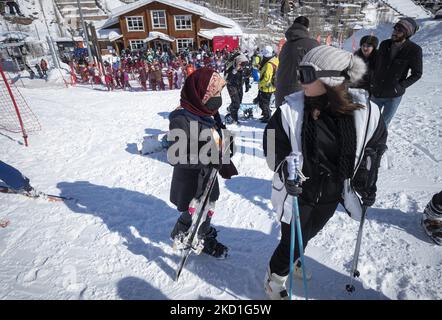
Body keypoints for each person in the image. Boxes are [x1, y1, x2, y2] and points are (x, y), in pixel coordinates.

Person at [263, 45, 388, 300]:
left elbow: (374, 147)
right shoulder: (290, 110)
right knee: (291, 240)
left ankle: (296, 258)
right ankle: (275, 278)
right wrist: (286, 171)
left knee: (310, 232)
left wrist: (367, 179)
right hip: (298, 193)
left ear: (332, 79)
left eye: (306, 74)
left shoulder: (368, 113)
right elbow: (272, 147)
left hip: (332, 191)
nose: (299, 81)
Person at [167, 67, 238, 259]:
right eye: (215, 93)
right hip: (191, 178)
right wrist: (209, 155)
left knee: (208, 207)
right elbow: (178, 156)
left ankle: (201, 232)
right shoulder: (181, 118)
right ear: (201, 93)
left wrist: (225, 143)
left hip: (208, 175)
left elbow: (217, 136)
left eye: (219, 93)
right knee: (193, 210)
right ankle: (186, 234)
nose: (218, 97)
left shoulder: (208, 111)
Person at [371, 17, 423, 126]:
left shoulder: (414, 50)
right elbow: (376, 65)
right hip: (376, 93)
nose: (395, 32)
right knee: (369, 121)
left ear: (407, 34)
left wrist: (400, 86)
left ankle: (376, 143)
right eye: (395, 29)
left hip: (393, 97)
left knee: (383, 126)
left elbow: (417, 74)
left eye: (399, 30)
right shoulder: (384, 44)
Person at [275, 16, 319, 108]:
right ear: (307, 28)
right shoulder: (312, 44)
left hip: (280, 94)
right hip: (298, 96)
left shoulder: (285, 46)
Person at [225, 53, 248, 125]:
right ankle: (234, 119)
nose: (243, 66)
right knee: (236, 103)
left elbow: (246, 76)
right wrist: (235, 70)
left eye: (244, 64)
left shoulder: (245, 67)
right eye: (242, 64)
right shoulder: (231, 67)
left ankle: (230, 108)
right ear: (238, 61)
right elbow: (227, 79)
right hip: (231, 85)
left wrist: (247, 85)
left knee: (239, 101)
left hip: (239, 85)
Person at [258, 45, 279, 123]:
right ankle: (266, 115)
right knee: (264, 102)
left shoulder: (269, 64)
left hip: (267, 87)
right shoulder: (275, 60)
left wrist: (260, 84)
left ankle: (267, 117)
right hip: (271, 86)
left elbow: (267, 78)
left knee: (264, 103)